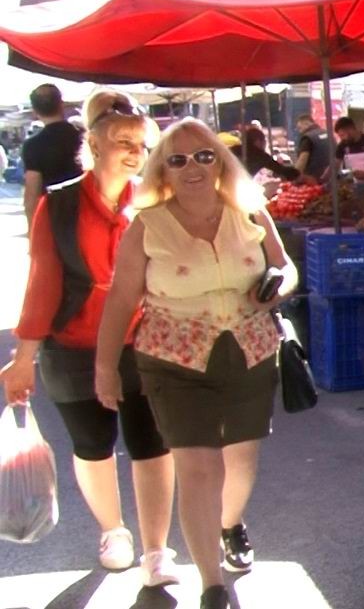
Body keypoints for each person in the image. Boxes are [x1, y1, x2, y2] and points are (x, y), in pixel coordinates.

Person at [95, 119, 296, 609]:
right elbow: (121, 299)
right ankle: (211, 582)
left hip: (249, 351)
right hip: (173, 359)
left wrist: (277, 286)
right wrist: (103, 368)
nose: (193, 167)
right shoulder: (147, 225)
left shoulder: (248, 212)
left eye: (204, 156)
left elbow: (286, 266)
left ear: (221, 163)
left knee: (240, 461)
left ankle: (228, 525)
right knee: (199, 466)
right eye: (178, 159)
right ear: (162, 168)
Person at [1, 91, 178, 586]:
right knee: (93, 444)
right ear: (94, 145)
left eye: (141, 145)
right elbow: (42, 286)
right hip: (73, 344)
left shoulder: (153, 201)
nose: (133, 152)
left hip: (143, 341)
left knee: (153, 443)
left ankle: (158, 549)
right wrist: (22, 359)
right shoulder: (58, 206)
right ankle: (114, 532)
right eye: (122, 141)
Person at [22, 83, 85, 231]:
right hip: (88, 212)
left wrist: (33, 233)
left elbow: (32, 195)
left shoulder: (33, 145)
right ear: (61, 105)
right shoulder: (85, 136)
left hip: (54, 218)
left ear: (35, 111)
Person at [230, 127, 300, 182]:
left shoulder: (232, 150)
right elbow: (280, 169)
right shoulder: (259, 154)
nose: (265, 144)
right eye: (264, 141)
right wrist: (298, 174)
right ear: (258, 141)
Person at [292, 114, 333, 183]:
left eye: (300, 128)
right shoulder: (328, 133)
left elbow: (302, 161)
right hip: (331, 177)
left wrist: (293, 178)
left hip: (313, 180)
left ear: (306, 123)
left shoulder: (307, 138)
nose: (300, 131)